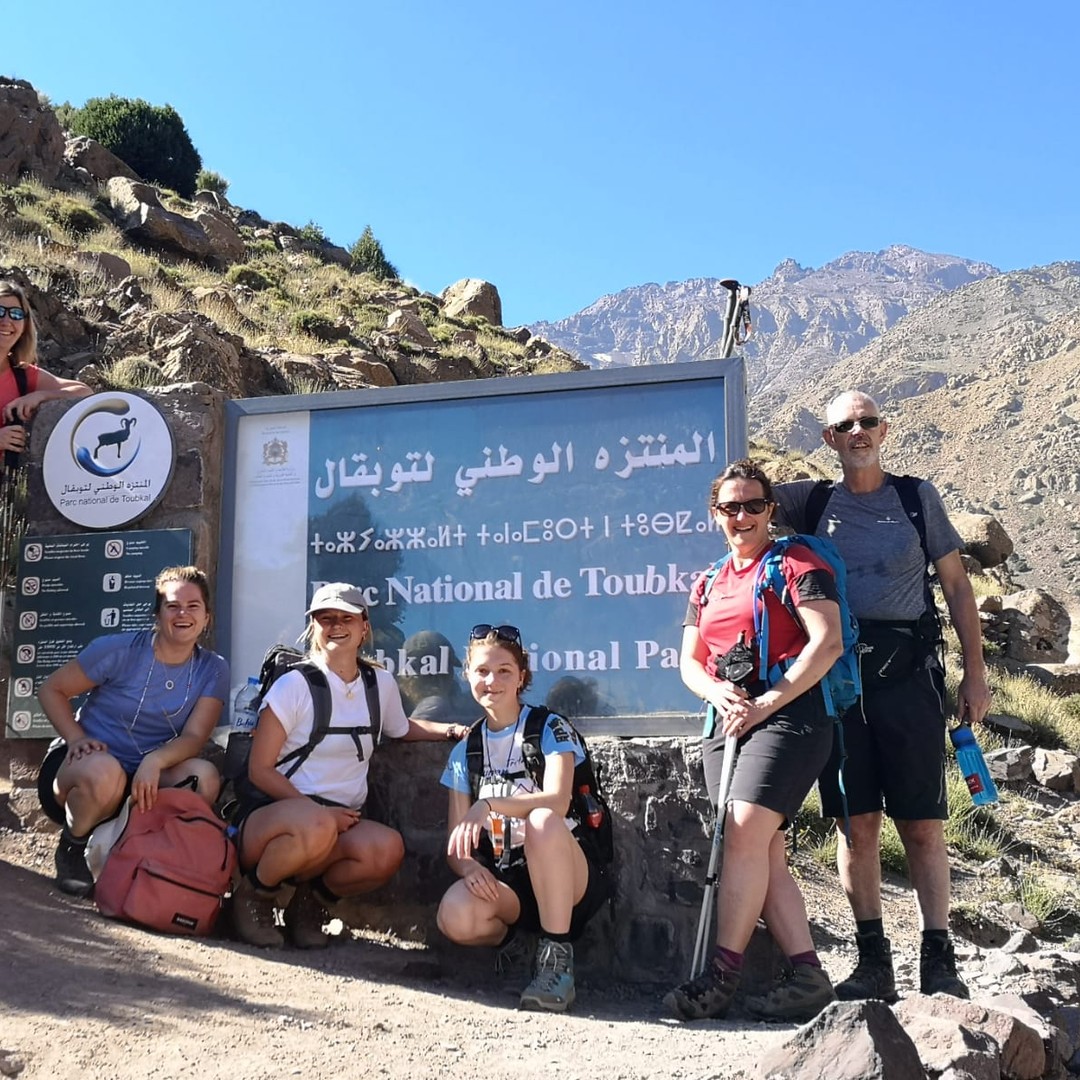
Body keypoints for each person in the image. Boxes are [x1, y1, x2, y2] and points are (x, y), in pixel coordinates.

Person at [774, 390, 992, 1001]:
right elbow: (740, 489)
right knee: (855, 823)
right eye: (845, 425)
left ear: (884, 429)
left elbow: (957, 587)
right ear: (829, 439)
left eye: (868, 421)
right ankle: (873, 960)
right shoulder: (809, 501)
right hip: (840, 683)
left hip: (911, 678)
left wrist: (975, 674)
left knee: (922, 823)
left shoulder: (916, 498)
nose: (859, 431)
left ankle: (938, 958)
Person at [664, 459, 843, 1023]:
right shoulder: (709, 580)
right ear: (715, 513)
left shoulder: (797, 563)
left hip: (792, 715)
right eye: (730, 507)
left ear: (771, 509)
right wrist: (718, 692)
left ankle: (720, 977)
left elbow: (828, 641)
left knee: (742, 829)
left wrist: (768, 701)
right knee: (761, 848)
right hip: (730, 720)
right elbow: (689, 662)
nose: (742, 516)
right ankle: (809, 975)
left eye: (754, 505)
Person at [232, 583, 468, 950]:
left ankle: (309, 907)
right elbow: (260, 770)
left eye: (346, 618)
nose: (336, 626)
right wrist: (317, 812)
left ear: (364, 627)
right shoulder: (294, 686)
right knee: (317, 826)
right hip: (273, 823)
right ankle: (253, 898)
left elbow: (401, 728)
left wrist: (452, 729)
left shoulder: (379, 683)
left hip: (336, 825)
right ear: (313, 627)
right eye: (325, 618)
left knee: (385, 849)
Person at [435, 623, 610, 1014]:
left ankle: (556, 961)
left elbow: (558, 801)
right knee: (455, 916)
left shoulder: (549, 728)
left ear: (521, 678)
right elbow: (457, 843)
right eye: (481, 671)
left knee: (543, 820)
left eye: (503, 671)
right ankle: (517, 945)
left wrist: (491, 805)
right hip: (510, 877)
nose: (491, 681)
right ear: (467, 675)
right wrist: (466, 868)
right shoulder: (466, 751)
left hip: (571, 871)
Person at [37, 565, 229, 897]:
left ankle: (144, 859)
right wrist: (76, 738)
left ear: (207, 617)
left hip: (144, 777)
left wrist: (154, 761)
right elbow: (51, 690)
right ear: (157, 614)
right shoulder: (119, 649)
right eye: (172, 605)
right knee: (104, 771)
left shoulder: (213, 669)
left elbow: (194, 737)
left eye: (193, 606)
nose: (183, 613)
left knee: (205, 777)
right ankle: (72, 846)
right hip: (84, 768)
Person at [0, 279, 91, 460]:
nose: (6, 320)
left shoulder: (23, 375)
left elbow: (85, 393)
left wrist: (41, 396)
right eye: (0, 311)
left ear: (24, 326)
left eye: (17, 314)